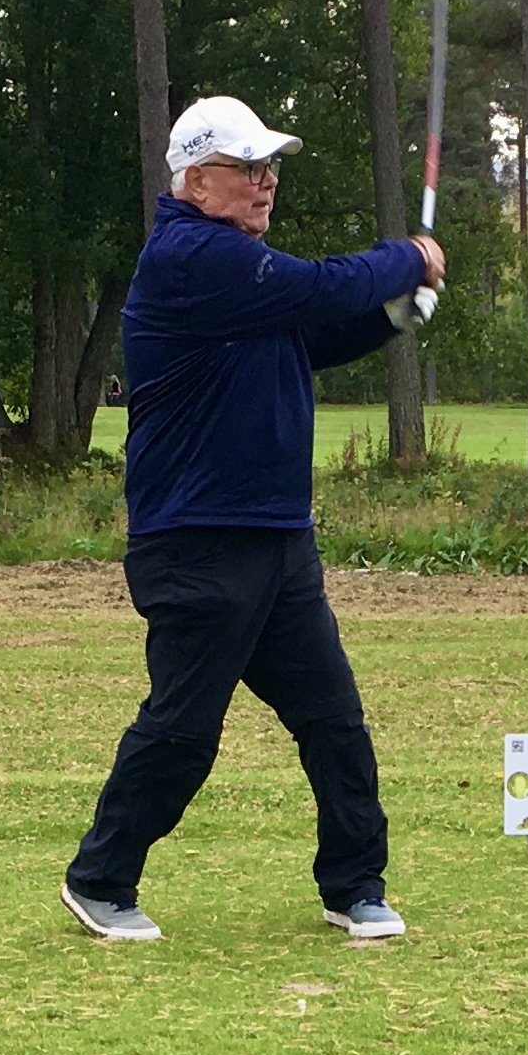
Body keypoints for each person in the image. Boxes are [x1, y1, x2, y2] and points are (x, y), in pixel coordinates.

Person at [60, 95, 445, 943]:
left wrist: (392, 317)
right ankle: (98, 880)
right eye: (250, 168)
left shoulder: (239, 276)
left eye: (271, 168)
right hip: (195, 542)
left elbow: (308, 337)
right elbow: (317, 287)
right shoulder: (192, 256)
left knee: (334, 720)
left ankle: (354, 885)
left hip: (276, 540)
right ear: (197, 181)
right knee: (184, 731)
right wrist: (407, 258)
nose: (268, 183)